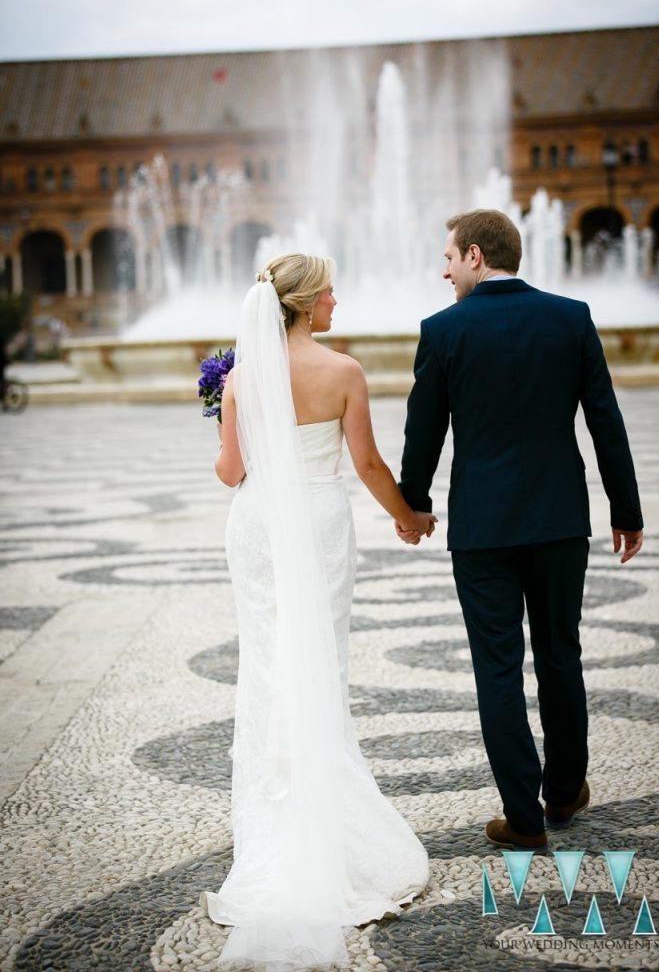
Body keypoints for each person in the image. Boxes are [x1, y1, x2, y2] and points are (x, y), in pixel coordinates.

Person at [202, 254, 433, 970]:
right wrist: (410, 516)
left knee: (269, 662)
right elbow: (366, 464)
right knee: (319, 662)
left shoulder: (242, 377)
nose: (338, 299)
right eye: (330, 290)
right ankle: (324, 822)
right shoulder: (344, 373)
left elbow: (232, 471)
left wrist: (226, 420)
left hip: (259, 524)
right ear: (306, 305)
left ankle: (278, 815)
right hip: (320, 518)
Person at [397, 209, 643, 852]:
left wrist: (413, 503)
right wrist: (627, 509)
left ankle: (524, 819)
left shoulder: (443, 330)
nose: (443, 269)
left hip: (482, 529)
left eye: (449, 256)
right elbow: (605, 420)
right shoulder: (570, 317)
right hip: (561, 520)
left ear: (476, 255)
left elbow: (424, 429)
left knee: (498, 669)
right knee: (562, 653)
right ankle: (564, 793)